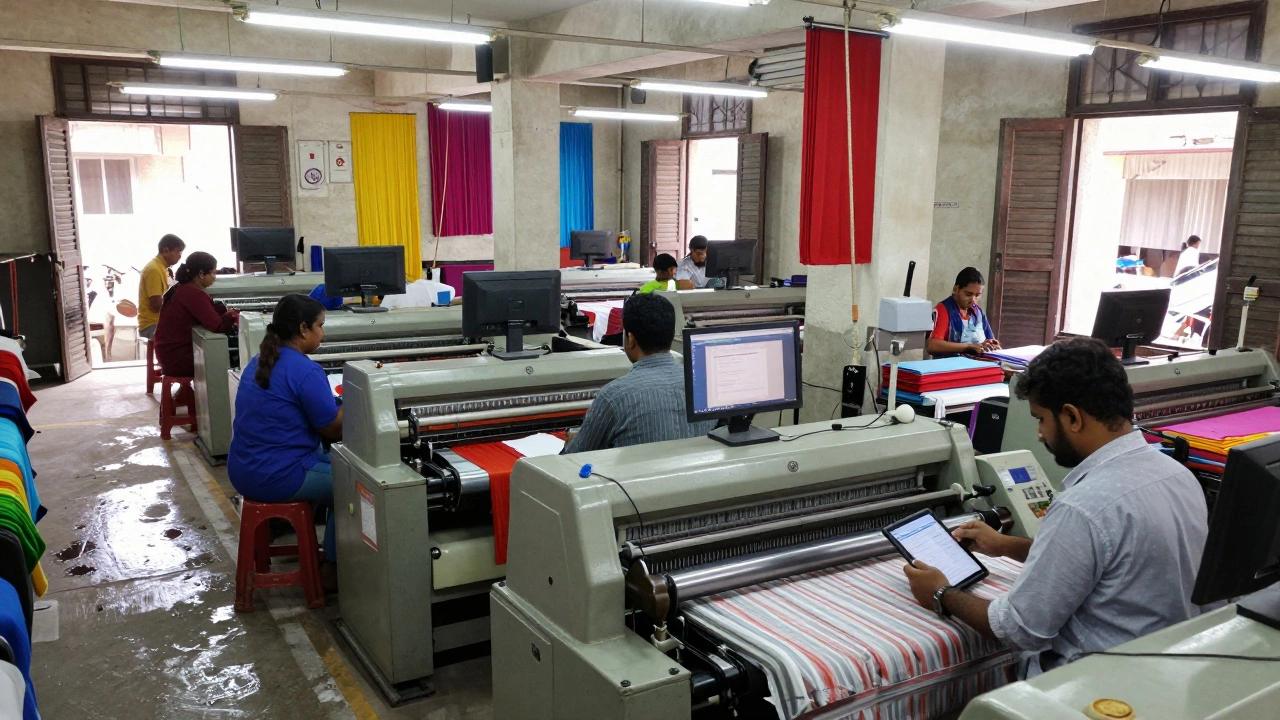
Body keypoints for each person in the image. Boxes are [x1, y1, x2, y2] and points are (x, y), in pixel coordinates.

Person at [902, 337, 1208, 677]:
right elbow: (1109, 559)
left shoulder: (1083, 506)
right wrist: (1006, 546)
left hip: (1091, 692)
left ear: (1072, 417)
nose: (1039, 434)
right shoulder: (1179, 477)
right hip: (1167, 675)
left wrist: (941, 592)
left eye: (1041, 419)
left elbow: (1018, 628)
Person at [228, 295, 341, 578]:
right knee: (354, 484)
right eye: (320, 326)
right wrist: (357, 400)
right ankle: (331, 570)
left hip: (243, 468)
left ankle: (327, 554)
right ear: (303, 329)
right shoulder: (305, 370)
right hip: (278, 475)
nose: (322, 333)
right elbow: (332, 429)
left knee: (331, 460)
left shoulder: (259, 361)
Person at [564, 293, 717, 453]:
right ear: (671, 335)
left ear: (630, 339)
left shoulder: (614, 396)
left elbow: (575, 457)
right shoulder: (704, 384)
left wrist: (571, 443)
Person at [153, 251, 238, 378]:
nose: (214, 278)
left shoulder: (183, 288)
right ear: (201, 274)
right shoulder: (193, 294)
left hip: (168, 352)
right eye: (213, 273)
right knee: (236, 353)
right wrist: (233, 314)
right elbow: (217, 326)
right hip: (179, 358)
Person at [928, 267, 1000, 358]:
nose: (973, 300)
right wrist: (968, 347)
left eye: (977, 295)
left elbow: (989, 339)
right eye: (968, 294)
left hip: (976, 364)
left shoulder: (978, 312)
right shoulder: (944, 309)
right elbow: (933, 345)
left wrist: (990, 344)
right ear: (956, 289)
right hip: (951, 367)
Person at [137, 234, 185, 340]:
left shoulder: (163, 268)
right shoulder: (154, 269)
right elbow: (156, 305)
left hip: (160, 322)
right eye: (178, 252)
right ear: (166, 250)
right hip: (152, 324)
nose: (180, 256)